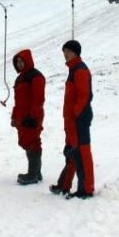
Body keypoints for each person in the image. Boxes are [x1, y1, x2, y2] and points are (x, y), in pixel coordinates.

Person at [50, 40, 95, 199]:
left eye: (68, 51)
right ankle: (64, 185)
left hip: (78, 120)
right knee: (71, 152)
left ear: (76, 52)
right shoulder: (73, 69)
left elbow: (85, 96)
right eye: (64, 51)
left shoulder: (80, 70)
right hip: (72, 121)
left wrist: (76, 115)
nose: (65, 54)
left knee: (82, 153)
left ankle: (86, 189)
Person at [11, 49, 45, 185]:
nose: (19, 64)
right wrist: (14, 116)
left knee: (33, 141)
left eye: (21, 61)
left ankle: (33, 174)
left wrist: (33, 116)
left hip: (32, 116)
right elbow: (17, 101)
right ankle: (36, 172)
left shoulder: (36, 76)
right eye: (17, 62)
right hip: (21, 116)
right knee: (26, 141)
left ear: (28, 60)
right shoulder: (19, 79)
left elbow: (38, 99)